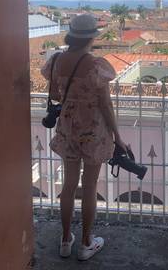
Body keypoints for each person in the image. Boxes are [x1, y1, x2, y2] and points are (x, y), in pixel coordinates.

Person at [41, 13, 126, 260]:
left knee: (68, 186)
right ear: (91, 36)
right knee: (89, 187)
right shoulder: (97, 65)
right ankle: (87, 243)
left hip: (68, 127)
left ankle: (66, 239)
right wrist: (117, 136)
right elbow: (106, 105)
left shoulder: (56, 60)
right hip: (93, 131)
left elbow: (57, 96)